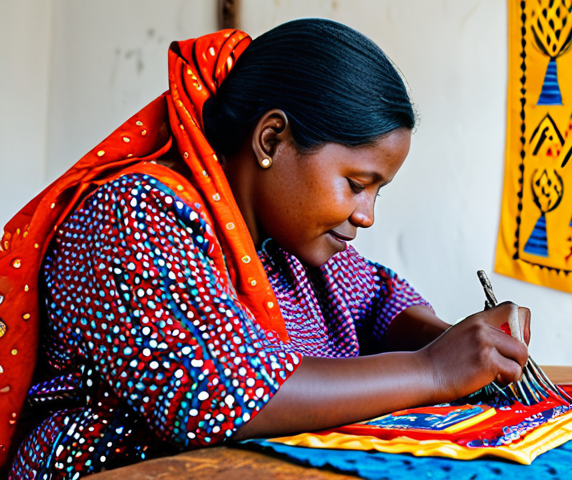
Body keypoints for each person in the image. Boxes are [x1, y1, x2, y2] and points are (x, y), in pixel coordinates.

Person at [1, 19, 530, 479]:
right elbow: (215, 394)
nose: (366, 215)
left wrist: (464, 345)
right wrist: (433, 371)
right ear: (272, 139)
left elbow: (377, 302)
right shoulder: (134, 216)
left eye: (377, 191)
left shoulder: (285, 244)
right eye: (356, 183)